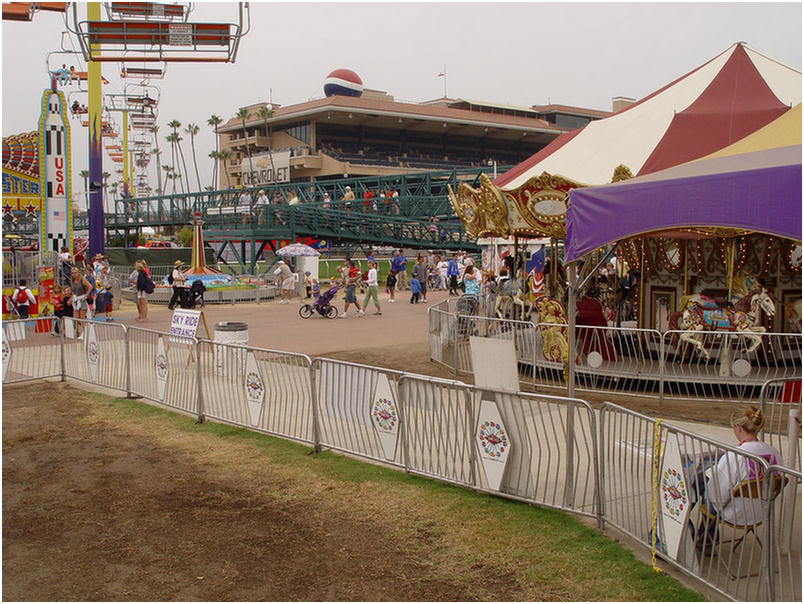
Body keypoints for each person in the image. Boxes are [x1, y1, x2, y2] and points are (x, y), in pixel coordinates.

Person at [695, 405, 783, 554]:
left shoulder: (734, 455)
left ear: (738, 428)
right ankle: (706, 541)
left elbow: (716, 494)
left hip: (734, 512)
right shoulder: (774, 453)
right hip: (761, 511)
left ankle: (704, 538)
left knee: (700, 480)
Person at [69, 266, 92, 331]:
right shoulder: (72, 280)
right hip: (76, 299)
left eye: (75, 273)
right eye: (72, 273)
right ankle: (77, 330)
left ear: (78, 273)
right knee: (75, 317)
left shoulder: (82, 279)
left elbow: (90, 287)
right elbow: (73, 291)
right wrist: (71, 298)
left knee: (82, 317)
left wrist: (86, 295)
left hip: (82, 298)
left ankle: (83, 331)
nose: (74, 274)